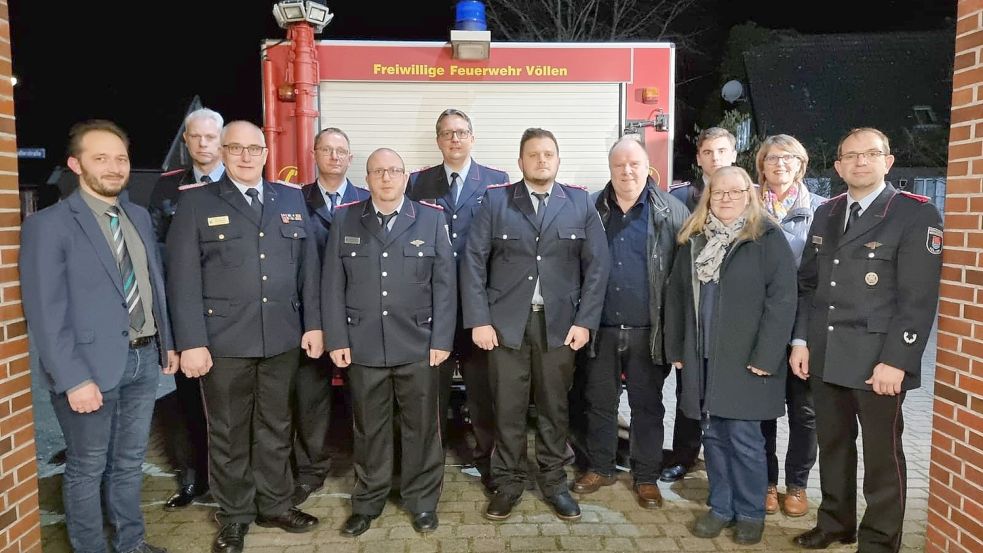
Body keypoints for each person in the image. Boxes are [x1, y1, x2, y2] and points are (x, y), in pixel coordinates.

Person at [166, 121, 323, 553]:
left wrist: (313, 324)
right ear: (223, 151)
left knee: (276, 426)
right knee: (230, 432)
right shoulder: (197, 203)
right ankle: (234, 516)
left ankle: (274, 503)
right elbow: (181, 278)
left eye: (255, 148)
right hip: (223, 342)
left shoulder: (289, 198)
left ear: (267, 152)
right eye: (236, 148)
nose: (247, 156)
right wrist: (191, 341)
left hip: (282, 338)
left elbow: (308, 269)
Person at [21, 119, 178, 553]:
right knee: (87, 468)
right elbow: (46, 313)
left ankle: (131, 544)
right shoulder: (48, 226)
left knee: (128, 464)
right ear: (75, 164)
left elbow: (152, 284)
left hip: (144, 361)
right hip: (88, 369)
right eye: (101, 158)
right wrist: (73, 379)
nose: (114, 167)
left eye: (121, 158)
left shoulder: (139, 217)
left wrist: (168, 344)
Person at [791, 128, 942, 553]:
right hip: (825, 353)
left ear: (888, 161)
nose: (861, 162)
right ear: (838, 166)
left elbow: (918, 298)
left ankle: (879, 540)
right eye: (851, 156)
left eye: (871, 154)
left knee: (882, 458)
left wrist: (898, 359)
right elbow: (809, 286)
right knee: (833, 446)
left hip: (878, 361)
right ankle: (837, 523)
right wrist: (801, 340)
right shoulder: (827, 212)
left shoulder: (915, 213)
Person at [462, 128, 610, 522]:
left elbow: (598, 268)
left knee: (554, 408)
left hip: (560, 327)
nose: (541, 160)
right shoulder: (496, 201)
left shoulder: (579, 202)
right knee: (507, 409)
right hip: (506, 326)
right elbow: (473, 262)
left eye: (548, 154)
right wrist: (479, 319)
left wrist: (585, 322)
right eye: (533, 154)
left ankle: (554, 482)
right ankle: (507, 483)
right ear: (520, 161)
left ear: (558, 160)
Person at [323, 148, 456, 537]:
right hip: (363, 346)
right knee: (368, 429)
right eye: (378, 171)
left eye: (394, 171)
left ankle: (422, 503)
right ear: (367, 178)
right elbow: (332, 284)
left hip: (419, 345)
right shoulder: (345, 218)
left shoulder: (431, 220)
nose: (386, 178)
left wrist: (442, 339)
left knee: (423, 430)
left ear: (405, 178)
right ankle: (368, 503)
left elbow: (445, 286)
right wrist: (337, 338)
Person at [665, 165, 797, 545]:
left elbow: (783, 300)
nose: (726, 198)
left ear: (749, 195)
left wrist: (767, 355)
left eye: (735, 192)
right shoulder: (693, 239)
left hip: (747, 360)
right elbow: (676, 298)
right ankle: (721, 507)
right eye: (718, 193)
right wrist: (677, 348)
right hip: (703, 357)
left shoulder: (767, 237)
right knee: (713, 436)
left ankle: (751, 512)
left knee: (744, 439)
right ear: (708, 197)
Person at [571, 137, 689, 509]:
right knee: (599, 403)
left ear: (646, 166)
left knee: (648, 407)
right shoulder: (591, 208)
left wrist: (676, 334)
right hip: (600, 329)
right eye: (619, 164)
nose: (626, 171)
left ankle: (646, 476)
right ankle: (601, 467)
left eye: (634, 164)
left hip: (648, 331)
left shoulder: (671, 211)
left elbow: (682, 278)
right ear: (610, 168)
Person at [407, 109, 509, 491]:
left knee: (483, 391)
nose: (455, 139)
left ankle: (488, 461)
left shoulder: (497, 182)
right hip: (430, 307)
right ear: (438, 140)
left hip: (476, 307)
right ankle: (427, 464)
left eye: (461, 132)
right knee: (429, 393)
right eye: (447, 133)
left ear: (472, 138)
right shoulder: (418, 182)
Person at [148, 107, 225, 511]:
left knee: (230, 405)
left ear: (221, 140)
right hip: (186, 312)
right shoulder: (167, 189)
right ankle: (194, 478)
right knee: (189, 403)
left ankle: (229, 478)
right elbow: (157, 257)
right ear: (187, 141)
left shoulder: (239, 182)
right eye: (195, 137)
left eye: (210, 137)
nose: (202, 144)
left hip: (231, 316)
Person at [292, 127, 369, 506]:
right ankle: (310, 472)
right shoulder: (291, 201)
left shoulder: (369, 200)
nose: (335, 156)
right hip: (309, 316)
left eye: (342, 150)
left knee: (366, 402)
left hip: (358, 320)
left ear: (351, 158)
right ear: (315, 154)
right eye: (327, 149)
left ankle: (369, 473)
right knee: (311, 400)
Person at [754, 134, 826, 517]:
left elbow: (819, 282)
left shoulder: (822, 211)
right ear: (761, 166)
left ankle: (796, 485)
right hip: (761, 327)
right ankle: (765, 482)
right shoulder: (747, 208)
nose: (780, 164)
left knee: (805, 413)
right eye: (772, 158)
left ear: (801, 164)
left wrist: (803, 337)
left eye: (789, 158)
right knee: (762, 409)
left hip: (803, 329)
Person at [661, 126, 737, 483]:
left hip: (730, 316)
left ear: (734, 155)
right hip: (691, 311)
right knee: (687, 389)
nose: (715, 158)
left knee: (732, 393)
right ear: (699, 158)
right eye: (708, 152)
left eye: (722, 151)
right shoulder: (678, 198)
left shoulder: (746, 195)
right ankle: (685, 454)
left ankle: (729, 458)